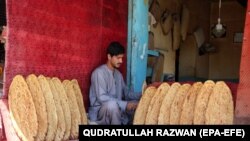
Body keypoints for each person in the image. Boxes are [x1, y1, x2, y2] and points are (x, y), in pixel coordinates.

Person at [88, 41, 141, 125]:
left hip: (117, 108)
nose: (121, 61)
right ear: (109, 56)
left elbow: (126, 93)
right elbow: (102, 98)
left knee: (138, 104)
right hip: (100, 112)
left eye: (122, 58)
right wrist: (125, 104)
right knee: (112, 105)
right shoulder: (99, 73)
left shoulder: (118, 74)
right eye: (118, 58)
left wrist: (142, 95)